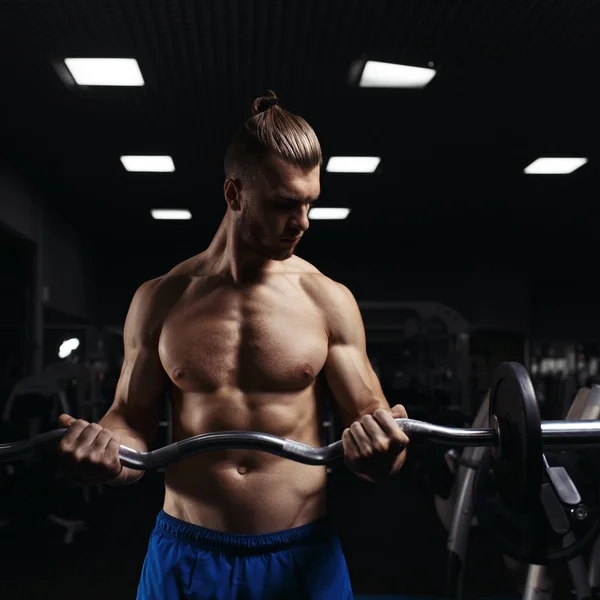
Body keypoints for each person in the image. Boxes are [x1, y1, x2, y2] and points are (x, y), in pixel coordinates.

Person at [57, 91, 410, 600]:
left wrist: (382, 452)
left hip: (301, 553)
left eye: (310, 202)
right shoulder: (161, 298)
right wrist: (108, 456)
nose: (303, 221)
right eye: (284, 204)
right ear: (234, 193)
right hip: (186, 549)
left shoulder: (327, 300)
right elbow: (130, 419)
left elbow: (371, 416)